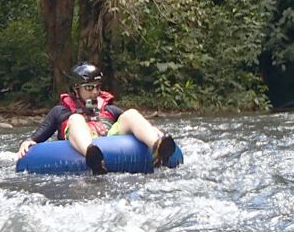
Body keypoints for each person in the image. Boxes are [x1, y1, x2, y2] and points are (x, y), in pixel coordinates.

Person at [17, 62, 177, 175]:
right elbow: (37, 137)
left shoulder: (109, 109)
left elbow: (132, 124)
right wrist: (28, 142)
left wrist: (152, 130)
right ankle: (92, 156)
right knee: (75, 119)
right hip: (82, 142)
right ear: (76, 90)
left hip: (108, 138)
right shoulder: (61, 111)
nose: (95, 92)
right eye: (89, 87)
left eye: (97, 87)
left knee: (132, 113)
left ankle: (157, 146)